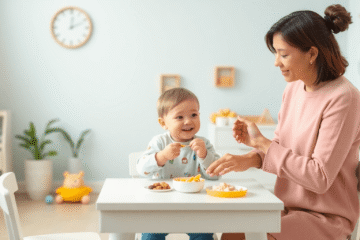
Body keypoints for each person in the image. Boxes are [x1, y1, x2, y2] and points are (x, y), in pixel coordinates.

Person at [206, 4, 359, 240]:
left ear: (312, 54)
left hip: (326, 218)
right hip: (287, 208)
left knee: (245, 235)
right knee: (232, 231)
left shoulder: (343, 98)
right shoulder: (293, 89)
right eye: (276, 53)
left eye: (284, 54)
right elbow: (283, 148)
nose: (276, 62)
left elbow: (319, 178)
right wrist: (247, 159)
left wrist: (264, 144)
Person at [137, 87, 220, 240]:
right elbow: (142, 169)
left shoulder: (204, 144)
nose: (188, 121)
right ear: (163, 123)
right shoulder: (160, 142)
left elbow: (215, 176)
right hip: (160, 208)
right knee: (150, 236)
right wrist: (162, 156)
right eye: (179, 117)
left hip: (195, 208)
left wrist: (204, 155)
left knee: (204, 236)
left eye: (194, 115)